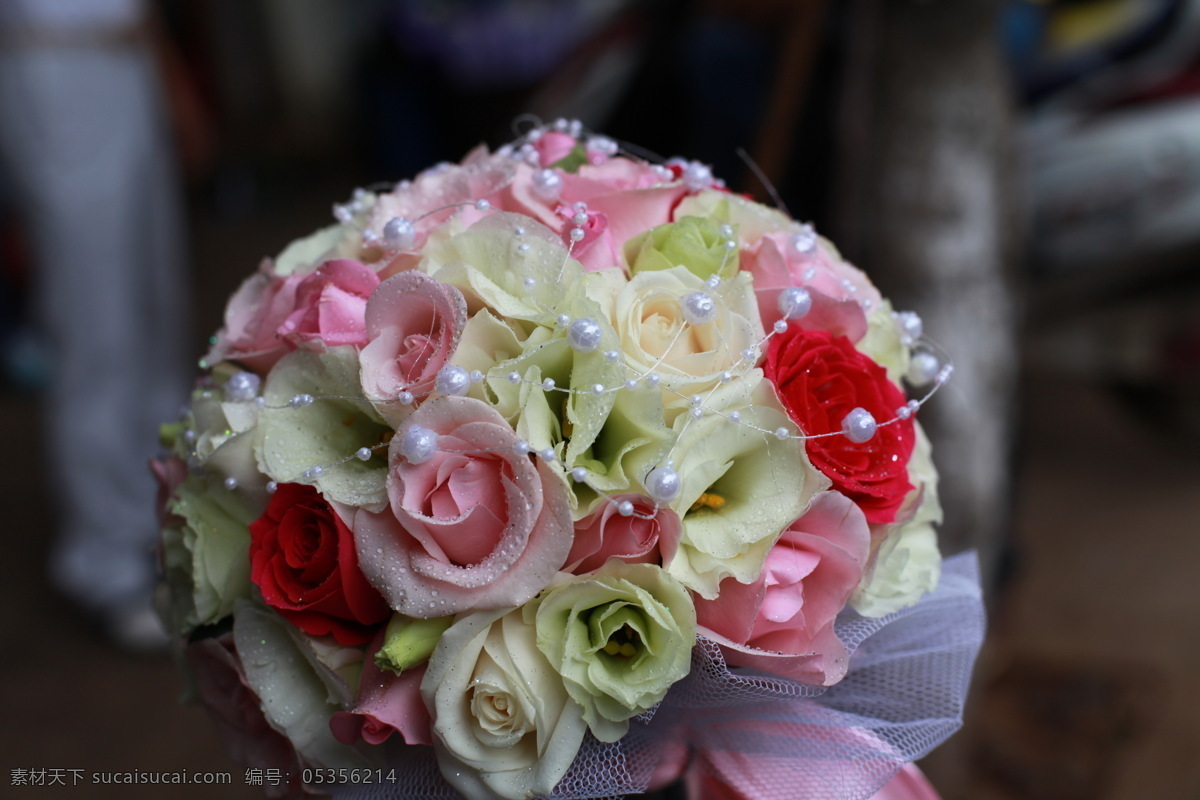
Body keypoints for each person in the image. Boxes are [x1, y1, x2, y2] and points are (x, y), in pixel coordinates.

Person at [0, 0, 191, 650]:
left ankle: (166, 526)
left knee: (155, 308)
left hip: (123, 55)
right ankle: (105, 561)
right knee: (95, 322)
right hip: (50, 59)